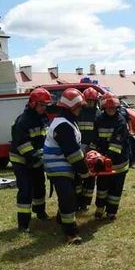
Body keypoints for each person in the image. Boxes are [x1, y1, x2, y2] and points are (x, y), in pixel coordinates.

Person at [43, 88, 92, 245]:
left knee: (74, 193)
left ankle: (61, 218)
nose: (81, 109)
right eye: (79, 106)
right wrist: (85, 171)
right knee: (68, 197)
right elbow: (73, 153)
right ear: (71, 107)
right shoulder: (63, 125)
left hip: (65, 165)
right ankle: (71, 233)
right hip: (58, 167)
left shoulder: (67, 121)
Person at [9, 88, 53, 232]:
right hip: (22, 161)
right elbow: (23, 145)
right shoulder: (23, 121)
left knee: (40, 187)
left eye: (46, 105)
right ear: (33, 104)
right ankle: (23, 224)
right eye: (42, 105)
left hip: (36, 160)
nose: (44, 108)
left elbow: (45, 137)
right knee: (25, 190)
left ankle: (40, 212)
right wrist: (35, 157)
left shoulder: (43, 118)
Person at [92, 92, 130, 220]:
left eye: (113, 108)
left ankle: (111, 211)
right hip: (102, 161)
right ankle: (99, 208)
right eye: (109, 108)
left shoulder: (120, 121)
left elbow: (116, 145)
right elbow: (95, 138)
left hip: (119, 162)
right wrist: (92, 153)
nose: (111, 110)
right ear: (103, 108)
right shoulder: (99, 120)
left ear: (117, 108)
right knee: (102, 187)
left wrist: (103, 158)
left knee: (116, 189)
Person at [76, 87, 101, 211]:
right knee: (78, 176)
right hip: (78, 149)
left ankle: (85, 202)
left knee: (91, 177)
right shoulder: (78, 113)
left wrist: (91, 148)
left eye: (93, 100)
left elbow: (98, 135)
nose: (90, 103)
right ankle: (77, 200)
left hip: (92, 150)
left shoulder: (98, 115)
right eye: (88, 100)